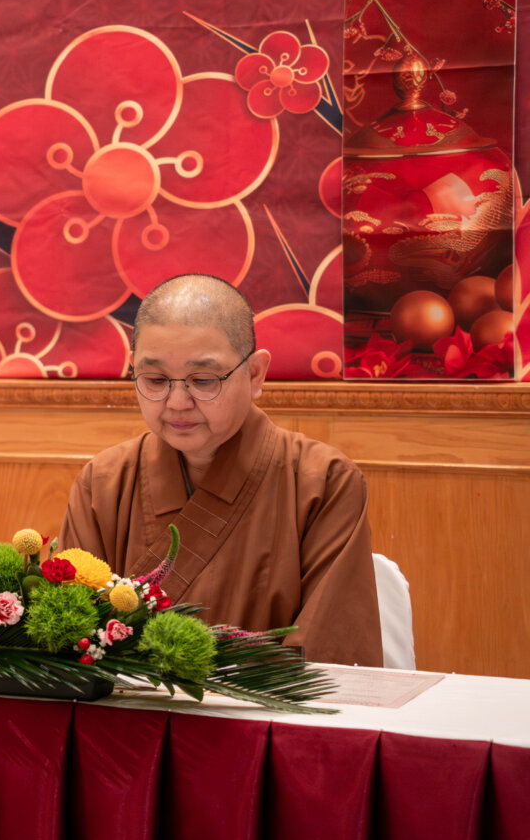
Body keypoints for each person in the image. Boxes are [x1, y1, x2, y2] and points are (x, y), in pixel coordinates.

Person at [59, 274, 383, 665]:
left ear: (255, 374)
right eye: (156, 380)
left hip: (264, 704)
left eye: (203, 380)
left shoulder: (323, 482)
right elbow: (69, 642)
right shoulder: (103, 483)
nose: (177, 402)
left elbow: (329, 658)